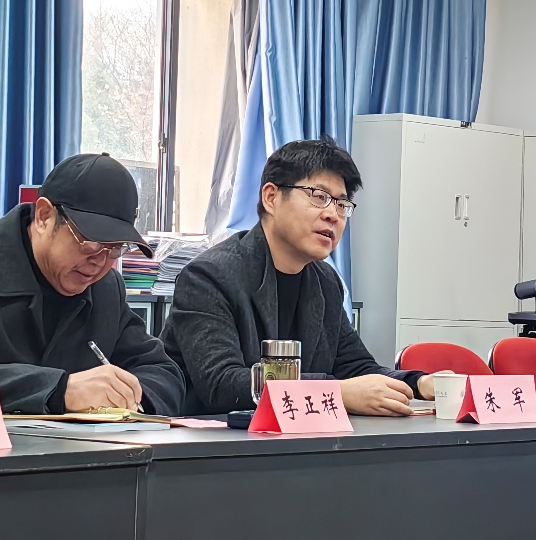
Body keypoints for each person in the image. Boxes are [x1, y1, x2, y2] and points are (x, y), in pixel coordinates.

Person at [162, 137, 443, 416]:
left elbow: (356, 368)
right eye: (319, 197)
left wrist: (420, 383)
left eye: (342, 204)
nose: (333, 215)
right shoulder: (208, 276)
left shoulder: (326, 282)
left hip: (295, 436)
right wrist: (336, 393)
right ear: (271, 197)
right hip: (215, 438)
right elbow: (222, 385)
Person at [0, 153, 185, 415]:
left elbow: (162, 371)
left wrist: (130, 399)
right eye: (90, 242)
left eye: (115, 248)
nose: (99, 262)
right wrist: (59, 390)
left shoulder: (105, 288)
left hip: (79, 453)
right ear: (44, 216)